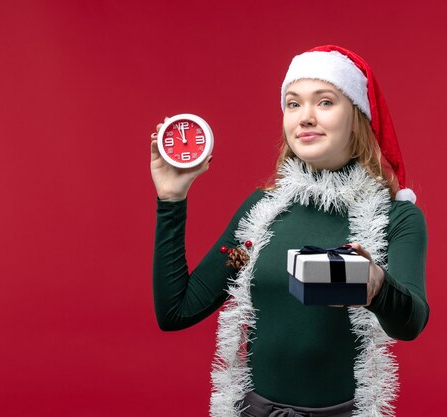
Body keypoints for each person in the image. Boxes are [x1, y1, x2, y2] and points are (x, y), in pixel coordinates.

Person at [150, 45, 429, 417]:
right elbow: (176, 312)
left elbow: (411, 323)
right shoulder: (262, 210)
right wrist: (171, 200)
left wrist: (375, 284)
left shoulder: (396, 217)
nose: (305, 117)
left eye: (325, 102)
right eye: (293, 104)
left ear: (358, 116)